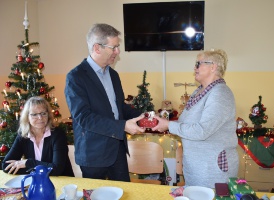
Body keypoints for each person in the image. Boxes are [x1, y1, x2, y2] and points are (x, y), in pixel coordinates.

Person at [64, 23, 145, 182]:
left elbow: (119, 107)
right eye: (113, 47)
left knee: (124, 194)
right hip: (93, 155)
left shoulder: (113, 75)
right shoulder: (75, 77)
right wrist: (122, 126)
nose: (118, 52)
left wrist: (143, 117)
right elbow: (84, 118)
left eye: (118, 46)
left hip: (117, 151)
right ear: (97, 48)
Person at [152, 49, 239, 188]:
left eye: (198, 64)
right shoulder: (200, 91)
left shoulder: (220, 93)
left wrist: (169, 125)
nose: (194, 68)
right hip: (197, 168)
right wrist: (163, 121)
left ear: (213, 67)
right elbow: (186, 123)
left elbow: (202, 131)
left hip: (212, 170)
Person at [2, 96, 74, 176]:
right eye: (34, 114)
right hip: (36, 183)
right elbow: (6, 166)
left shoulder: (58, 134)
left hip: (63, 183)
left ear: (48, 115)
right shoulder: (23, 136)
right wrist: (40, 169)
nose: (40, 118)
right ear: (27, 117)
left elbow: (57, 169)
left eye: (43, 113)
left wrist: (28, 163)